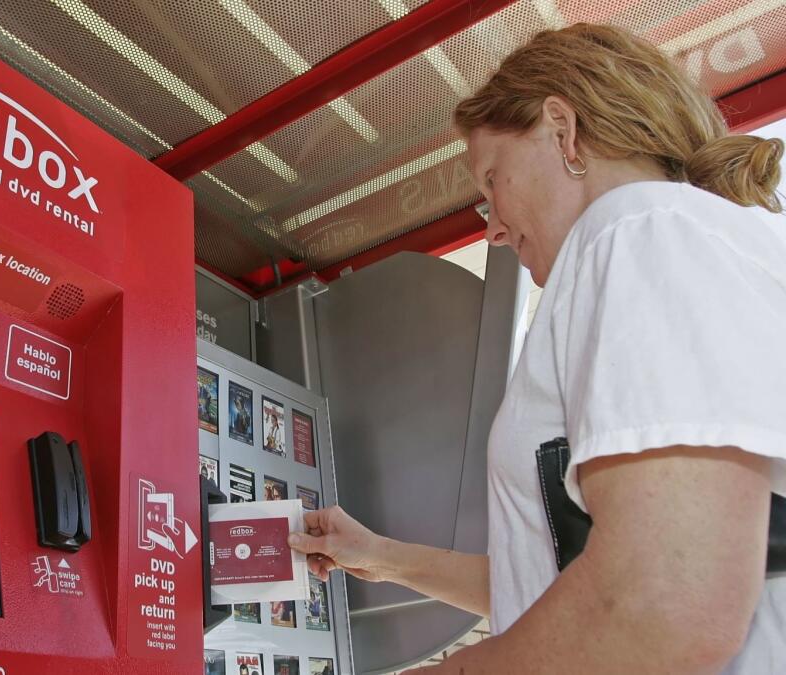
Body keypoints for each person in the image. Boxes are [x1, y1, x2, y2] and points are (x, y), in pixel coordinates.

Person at [289, 23, 785, 674]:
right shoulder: (691, 241)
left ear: (563, 131)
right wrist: (382, 556)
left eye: (493, 180)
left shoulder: (641, 229)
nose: (493, 226)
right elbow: (558, 581)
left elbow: (656, 603)